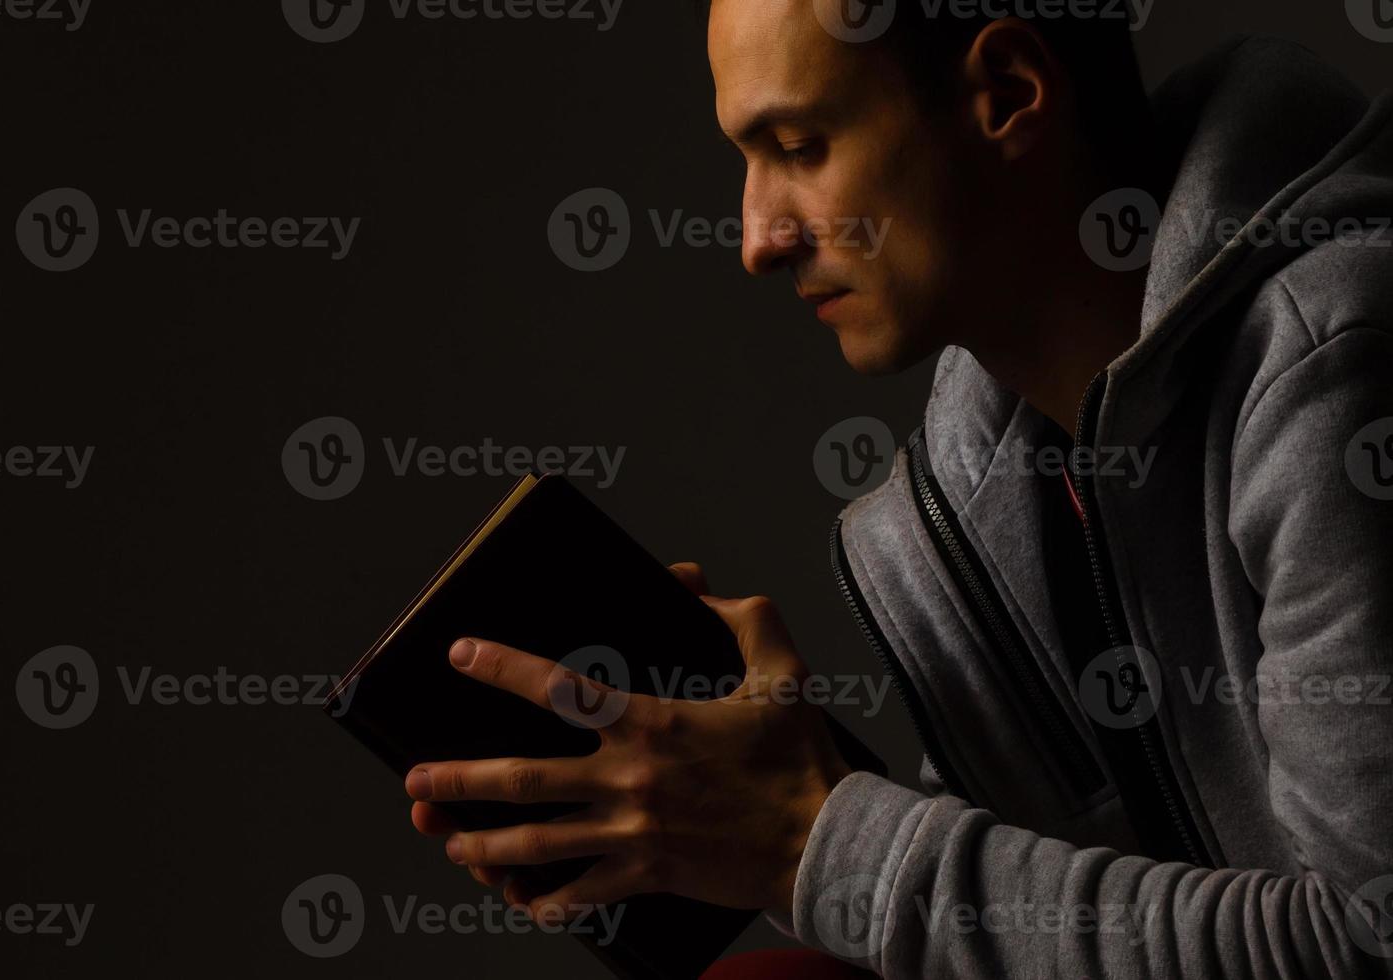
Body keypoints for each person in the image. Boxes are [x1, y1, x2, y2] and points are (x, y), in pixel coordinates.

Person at [405, 1, 1393, 975]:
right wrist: (723, 817)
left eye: (799, 145)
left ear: (1006, 94)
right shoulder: (955, 507)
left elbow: (1363, 940)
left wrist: (808, 838)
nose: (758, 238)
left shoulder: (1338, 368)